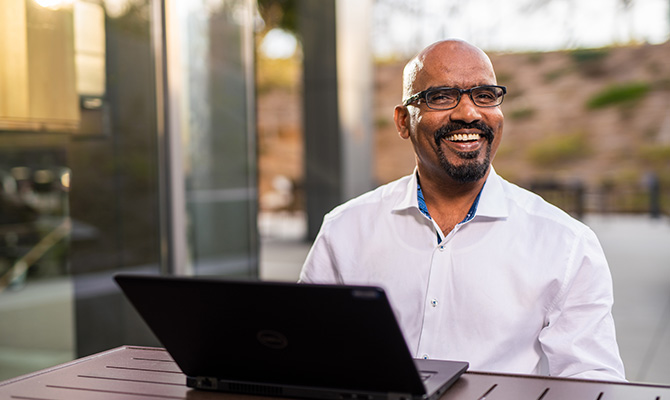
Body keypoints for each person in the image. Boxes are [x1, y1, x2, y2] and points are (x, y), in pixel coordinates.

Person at [299, 39, 626, 381]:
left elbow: (592, 379)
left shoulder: (566, 244)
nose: (468, 113)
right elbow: (305, 350)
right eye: (441, 96)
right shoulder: (345, 229)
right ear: (402, 122)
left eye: (484, 95)